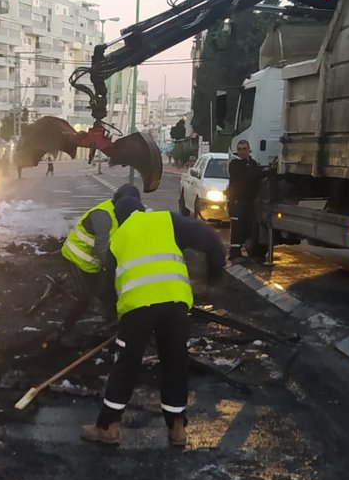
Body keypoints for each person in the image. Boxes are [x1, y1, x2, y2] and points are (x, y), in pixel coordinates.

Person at [80, 196, 226, 448]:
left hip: (138, 309)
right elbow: (209, 237)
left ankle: (108, 427)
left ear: (120, 216)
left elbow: (105, 290)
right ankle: (177, 428)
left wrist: (115, 317)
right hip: (176, 304)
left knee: (126, 365)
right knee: (175, 362)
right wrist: (215, 272)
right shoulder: (167, 219)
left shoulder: (119, 237)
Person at [56, 183, 142, 336]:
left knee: (106, 291)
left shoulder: (124, 214)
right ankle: (64, 329)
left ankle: (112, 322)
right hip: (76, 257)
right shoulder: (104, 215)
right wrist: (113, 268)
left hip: (93, 263)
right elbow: (101, 246)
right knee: (85, 296)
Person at [227, 139, 264, 260]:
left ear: (249, 150)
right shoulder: (235, 164)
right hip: (237, 201)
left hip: (249, 202)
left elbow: (256, 177)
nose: (242, 152)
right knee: (237, 227)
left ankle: (245, 248)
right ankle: (234, 252)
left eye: (244, 149)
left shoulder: (253, 164)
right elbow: (247, 177)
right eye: (239, 149)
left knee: (249, 226)